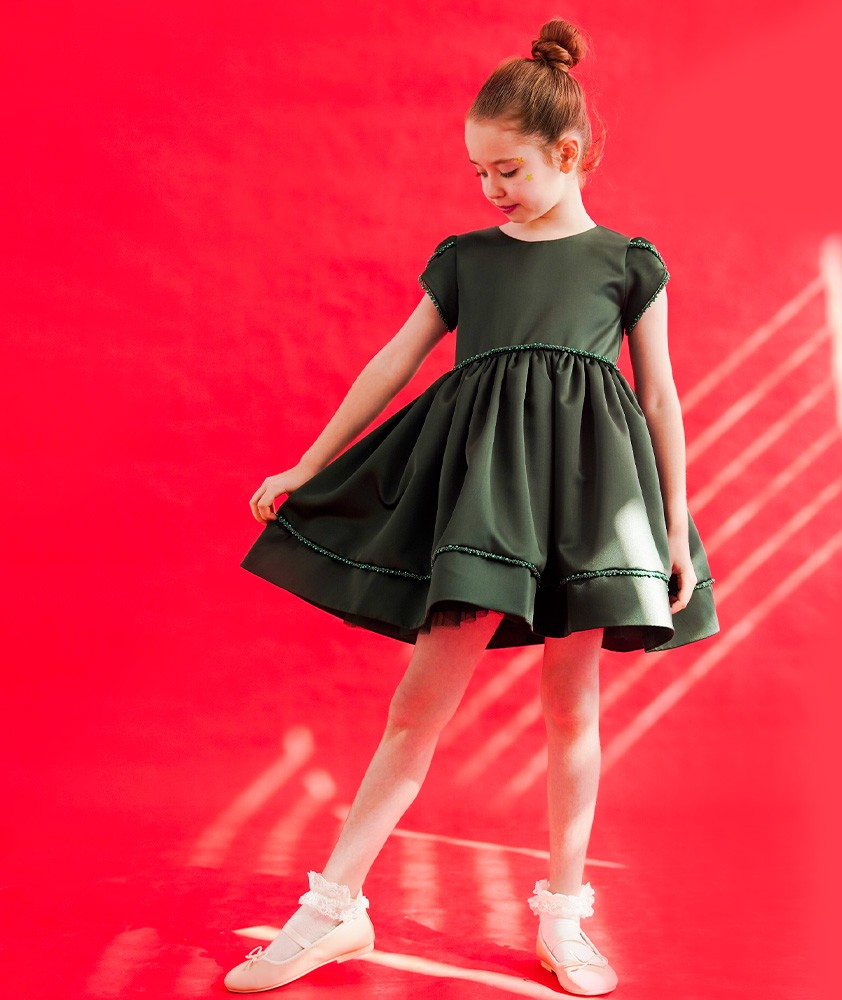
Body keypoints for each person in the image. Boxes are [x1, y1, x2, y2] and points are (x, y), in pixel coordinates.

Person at [225, 16, 720, 998]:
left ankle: (564, 916)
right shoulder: (468, 258)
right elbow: (392, 363)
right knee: (418, 705)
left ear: (566, 154)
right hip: (485, 502)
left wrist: (672, 527)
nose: (491, 188)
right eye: (479, 172)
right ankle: (335, 908)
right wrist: (307, 464)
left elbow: (660, 398)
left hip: (591, 502)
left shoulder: (628, 263)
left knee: (571, 707)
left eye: (508, 170)